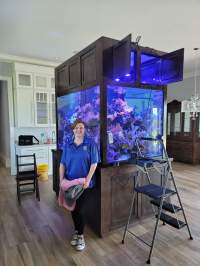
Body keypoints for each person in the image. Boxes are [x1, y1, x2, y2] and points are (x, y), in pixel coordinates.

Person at [59, 119, 99, 251]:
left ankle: (81, 236)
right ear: (73, 129)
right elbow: (62, 164)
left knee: (80, 210)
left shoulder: (91, 144)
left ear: (85, 129)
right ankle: (77, 231)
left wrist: (87, 180)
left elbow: (94, 163)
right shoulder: (68, 145)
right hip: (70, 182)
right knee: (73, 208)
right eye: (76, 127)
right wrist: (61, 181)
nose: (79, 130)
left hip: (84, 184)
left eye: (81, 127)